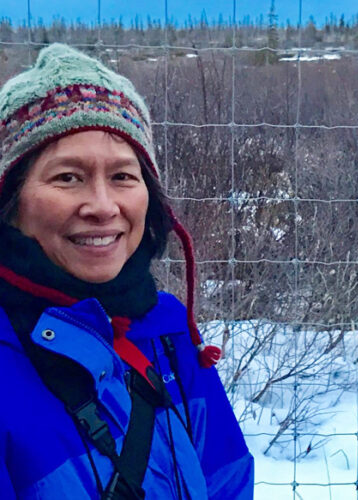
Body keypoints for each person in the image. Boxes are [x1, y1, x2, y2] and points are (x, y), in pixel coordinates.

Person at [0, 43, 254, 499]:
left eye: (123, 176)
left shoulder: (169, 332)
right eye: (67, 177)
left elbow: (227, 479)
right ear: (10, 202)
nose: (103, 206)